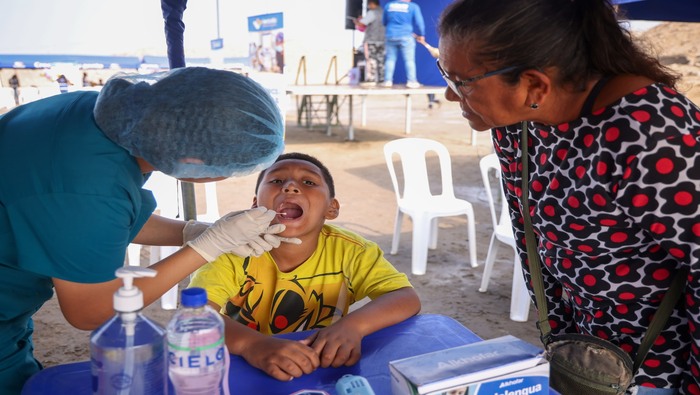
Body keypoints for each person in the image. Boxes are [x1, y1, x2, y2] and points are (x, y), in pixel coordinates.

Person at [437, 1, 698, 394]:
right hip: (579, 358)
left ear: (534, 85)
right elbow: (532, 239)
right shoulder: (519, 126)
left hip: (657, 372)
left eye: (462, 81)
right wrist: (558, 341)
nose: (449, 95)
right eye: (447, 75)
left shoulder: (650, 131)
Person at [0, 66, 297, 394]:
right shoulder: (86, 185)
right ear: (195, 159)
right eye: (231, 169)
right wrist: (209, 246)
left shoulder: (96, 116)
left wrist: (193, 231)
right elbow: (89, 309)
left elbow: (100, 222)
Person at [189, 152, 421, 381]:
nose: (290, 187)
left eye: (308, 182)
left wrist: (354, 326)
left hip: (321, 369)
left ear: (332, 208)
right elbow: (195, 317)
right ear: (255, 204)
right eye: (277, 180)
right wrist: (252, 345)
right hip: (242, 367)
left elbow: (405, 297)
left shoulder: (353, 251)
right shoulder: (232, 249)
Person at [382, 0, 425, 88]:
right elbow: (419, 22)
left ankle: (387, 81)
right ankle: (411, 81)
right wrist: (421, 34)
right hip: (406, 36)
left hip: (390, 35)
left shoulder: (388, 5)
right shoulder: (413, 6)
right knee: (409, 60)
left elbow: (384, 22)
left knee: (390, 59)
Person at [353, 0, 385, 84]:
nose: (368, 6)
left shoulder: (372, 13)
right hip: (383, 40)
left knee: (371, 60)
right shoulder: (384, 13)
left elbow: (362, 24)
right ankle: (382, 79)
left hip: (371, 40)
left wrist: (356, 21)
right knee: (381, 60)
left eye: (369, 4)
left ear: (372, 3)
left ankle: (371, 79)